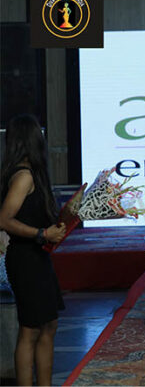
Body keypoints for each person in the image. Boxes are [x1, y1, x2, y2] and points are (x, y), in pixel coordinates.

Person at [0, 114, 66, 385]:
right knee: (30, 329)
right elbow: (4, 220)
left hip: (37, 256)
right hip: (25, 258)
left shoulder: (32, 173)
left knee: (48, 325)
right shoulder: (23, 176)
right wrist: (41, 234)